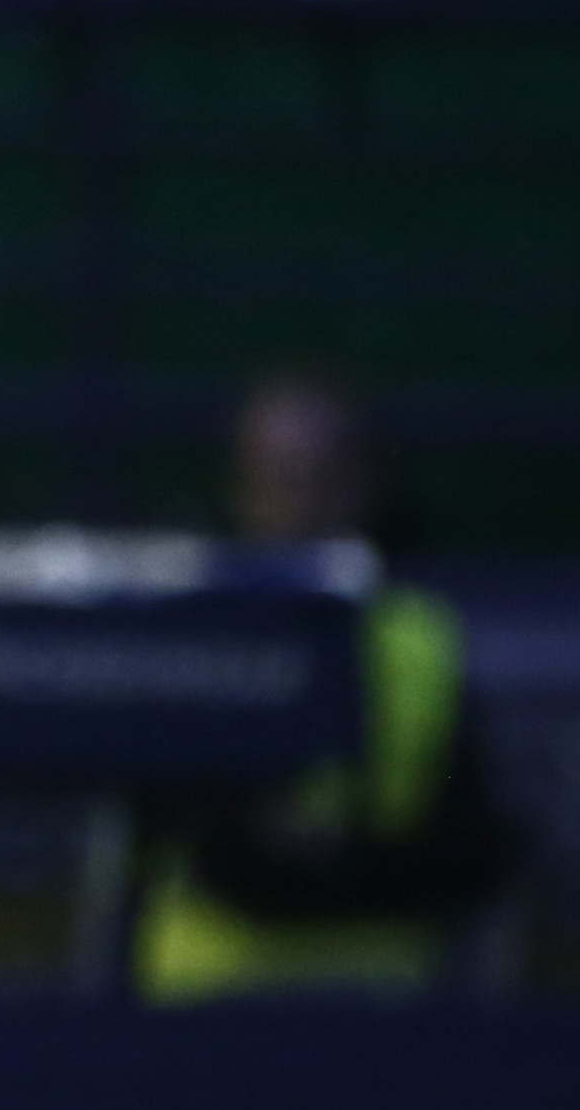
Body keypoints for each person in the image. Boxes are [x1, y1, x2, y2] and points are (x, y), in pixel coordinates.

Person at [133, 374, 512, 1001]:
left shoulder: (422, 635)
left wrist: (337, 860)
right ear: (239, 487)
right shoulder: (195, 633)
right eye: (276, 477)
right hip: (204, 994)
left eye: (320, 476)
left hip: (380, 992)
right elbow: (184, 832)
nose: (298, 503)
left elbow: (464, 839)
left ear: (367, 484)